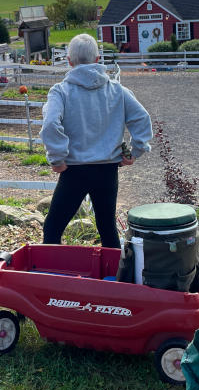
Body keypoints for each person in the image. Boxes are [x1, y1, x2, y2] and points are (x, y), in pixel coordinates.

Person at [40, 33, 153, 249]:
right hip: (107, 170)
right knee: (107, 228)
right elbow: (142, 119)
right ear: (98, 59)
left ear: (69, 61)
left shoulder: (61, 92)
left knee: (53, 227)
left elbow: (51, 124)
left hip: (73, 171)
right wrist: (133, 153)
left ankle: (51, 276)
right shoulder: (117, 91)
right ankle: (113, 279)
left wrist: (57, 159)